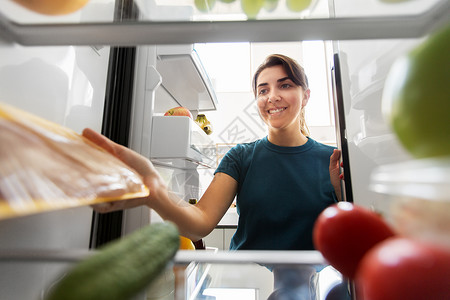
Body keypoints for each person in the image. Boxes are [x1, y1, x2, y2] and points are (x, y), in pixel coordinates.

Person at [82, 54, 343, 251]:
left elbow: (348, 234)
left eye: (284, 86)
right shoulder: (240, 157)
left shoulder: (332, 160)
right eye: (263, 90)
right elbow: (200, 221)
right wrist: (155, 192)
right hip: (244, 283)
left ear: (306, 95)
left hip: (313, 286)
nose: (272, 96)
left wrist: (341, 196)